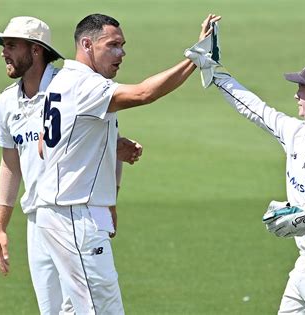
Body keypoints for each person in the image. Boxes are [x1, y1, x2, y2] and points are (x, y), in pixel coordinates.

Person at [36, 13, 221, 314]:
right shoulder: (85, 85)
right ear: (87, 44)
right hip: (74, 215)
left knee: (75, 308)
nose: (121, 53)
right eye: (113, 45)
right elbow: (144, 93)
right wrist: (195, 58)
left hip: (62, 213)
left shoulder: (60, 81)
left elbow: (47, 145)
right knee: (103, 308)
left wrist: (107, 146)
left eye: (122, 45)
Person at [185, 26, 305, 314]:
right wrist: (214, 72)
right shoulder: (296, 132)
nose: (296, 94)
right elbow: (255, 109)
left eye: (303, 88)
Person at [0, 16, 142, 314]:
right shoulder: (6, 102)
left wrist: (109, 207)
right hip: (38, 220)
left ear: (35, 50)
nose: (3, 52)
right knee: (53, 310)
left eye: (10, 45)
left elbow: (109, 139)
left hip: (78, 214)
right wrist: (0, 228)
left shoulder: (73, 85)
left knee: (87, 308)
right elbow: (10, 166)